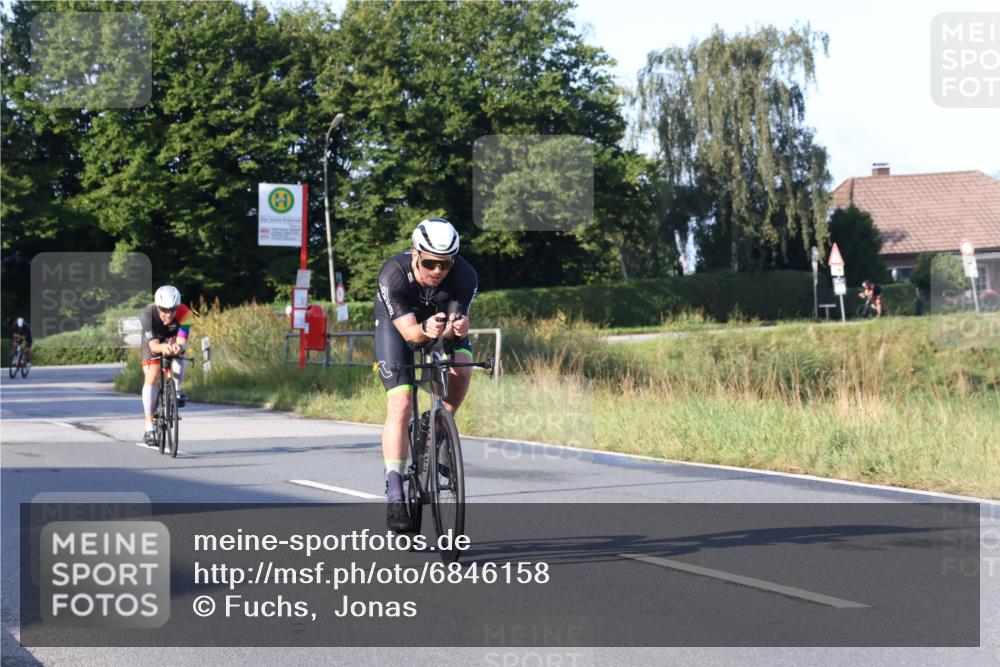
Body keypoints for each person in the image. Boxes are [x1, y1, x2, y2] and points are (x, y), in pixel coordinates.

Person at [374, 218, 478, 531]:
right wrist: (424, 329)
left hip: (439, 322)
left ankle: (438, 426)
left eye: (445, 264)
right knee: (402, 404)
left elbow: (455, 330)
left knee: (462, 367)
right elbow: (410, 336)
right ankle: (394, 491)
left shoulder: (465, 275)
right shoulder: (393, 275)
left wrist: (459, 328)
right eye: (430, 263)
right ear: (416, 254)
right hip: (399, 329)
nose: (437, 271)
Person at [139, 285, 193, 446]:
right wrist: (164, 348)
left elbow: (183, 341)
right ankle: (149, 428)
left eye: (173, 309)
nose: (169, 314)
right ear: (157, 306)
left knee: (179, 353)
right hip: (153, 341)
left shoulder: (186, 314)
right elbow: (155, 346)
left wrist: (178, 347)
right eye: (164, 309)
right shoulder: (147, 314)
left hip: (173, 337)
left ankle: (177, 388)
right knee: (153, 375)